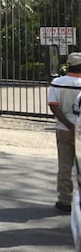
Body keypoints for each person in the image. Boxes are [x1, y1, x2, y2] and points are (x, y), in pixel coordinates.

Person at [47, 51, 81, 213]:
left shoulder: (58, 82)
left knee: (65, 165)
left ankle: (65, 200)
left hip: (63, 129)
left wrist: (67, 124)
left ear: (69, 65)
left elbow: (53, 105)